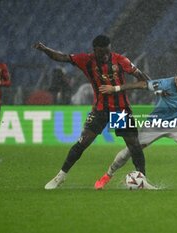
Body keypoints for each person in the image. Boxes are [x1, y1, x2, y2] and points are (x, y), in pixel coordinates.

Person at [33, 35, 153, 190]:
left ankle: (142, 179)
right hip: (100, 110)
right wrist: (44, 49)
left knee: (134, 145)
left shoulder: (120, 60)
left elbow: (142, 77)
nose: (105, 56)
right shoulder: (86, 60)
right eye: (101, 53)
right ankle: (60, 177)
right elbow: (62, 57)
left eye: (107, 52)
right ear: (94, 50)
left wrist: (153, 85)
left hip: (120, 110)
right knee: (83, 143)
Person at [94, 66, 177, 190]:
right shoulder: (165, 84)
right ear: (175, 77)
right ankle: (107, 175)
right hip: (154, 124)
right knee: (131, 149)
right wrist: (116, 89)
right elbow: (142, 84)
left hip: (175, 123)